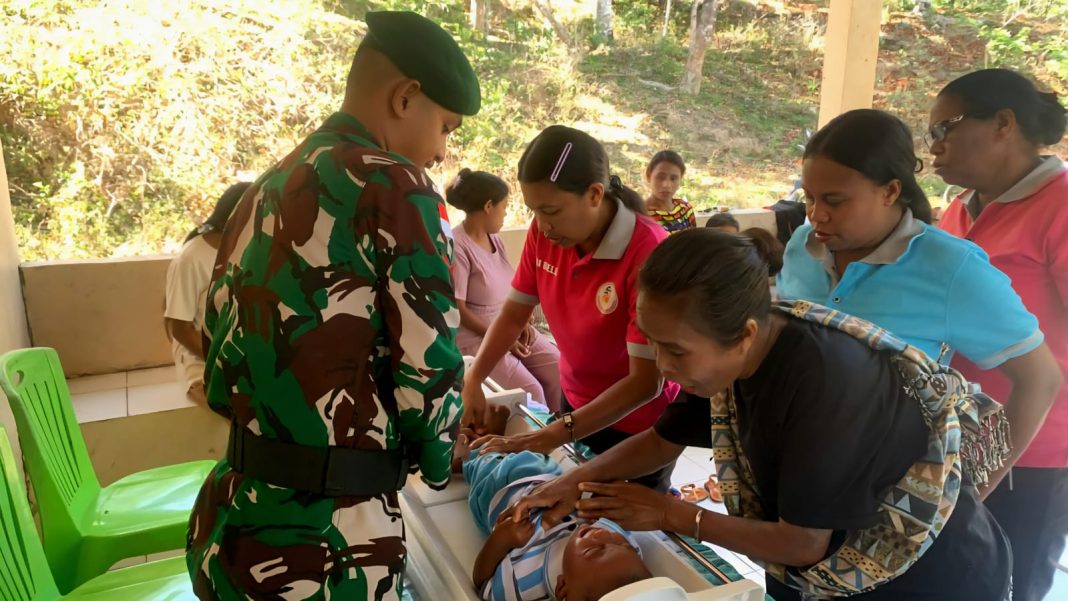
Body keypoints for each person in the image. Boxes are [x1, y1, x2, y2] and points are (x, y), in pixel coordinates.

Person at [513, 229, 1014, 600]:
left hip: (933, 576)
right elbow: (663, 440)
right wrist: (570, 480)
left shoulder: (823, 383)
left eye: (676, 351)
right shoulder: (728, 355)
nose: (662, 368)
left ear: (746, 335)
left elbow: (802, 542)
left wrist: (669, 513)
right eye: (653, 344)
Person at [186, 11, 478, 600]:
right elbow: (428, 365)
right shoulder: (395, 185)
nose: (443, 152)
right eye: (446, 127)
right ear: (406, 97)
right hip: (325, 544)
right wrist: (442, 453)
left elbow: (215, 330)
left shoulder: (267, 183)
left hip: (233, 514)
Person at [776, 108, 1062, 498]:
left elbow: (1039, 380)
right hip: (799, 468)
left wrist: (969, 491)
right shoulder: (802, 246)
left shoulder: (951, 268)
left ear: (890, 191)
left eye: (835, 200)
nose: (816, 214)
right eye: (808, 198)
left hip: (890, 491)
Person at [462, 125, 679, 491]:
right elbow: (514, 314)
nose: (542, 226)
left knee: (617, 533)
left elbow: (646, 382)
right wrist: (473, 378)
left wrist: (553, 435)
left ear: (595, 194)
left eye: (551, 211)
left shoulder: (648, 252)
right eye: (534, 211)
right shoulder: (546, 234)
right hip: (576, 401)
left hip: (637, 426)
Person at [929, 68, 1068, 601]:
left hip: (1032, 446)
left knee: (1012, 580)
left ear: (1003, 124)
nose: (935, 147)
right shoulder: (960, 209)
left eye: (947, 128)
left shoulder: (1058, 204)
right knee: (959, 578)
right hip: (954, 435)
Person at [453, 406, 651, 601]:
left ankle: (464, 459)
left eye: (594, 550)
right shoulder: (627, 566)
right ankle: (491, 441)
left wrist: (501, 539)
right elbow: (613, 518)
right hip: (551, 481)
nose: (603, 534)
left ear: (562, 587)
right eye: (622, 544)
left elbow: (483, 583)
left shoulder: (525, 586)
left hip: (501, 495)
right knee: (533, 460)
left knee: (486, 467)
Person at [446, 168, 562, 409]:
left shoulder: (494, 239)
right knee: (531, 392)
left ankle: (561, 435)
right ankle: (537, 445)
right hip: (477, 336)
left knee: (557, 367)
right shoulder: (459, 246)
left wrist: (523, 322)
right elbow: (458, 309)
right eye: (504, 206)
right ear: (489, 206)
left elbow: (511, 287)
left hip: (508, 324)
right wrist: (503, 338)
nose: (506, 214)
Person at [164, 182, 249, 407]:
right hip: (199, 356)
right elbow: (179, 330)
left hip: (236, 351)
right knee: (229, 407)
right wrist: (220, 362)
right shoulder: (191, 258)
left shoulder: (250, 249)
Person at [643, 150, 696, 234]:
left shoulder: (685, 209)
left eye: (673, 178)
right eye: (661, 177)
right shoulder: (641, 215)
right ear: (649, 175)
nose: (666, 185)